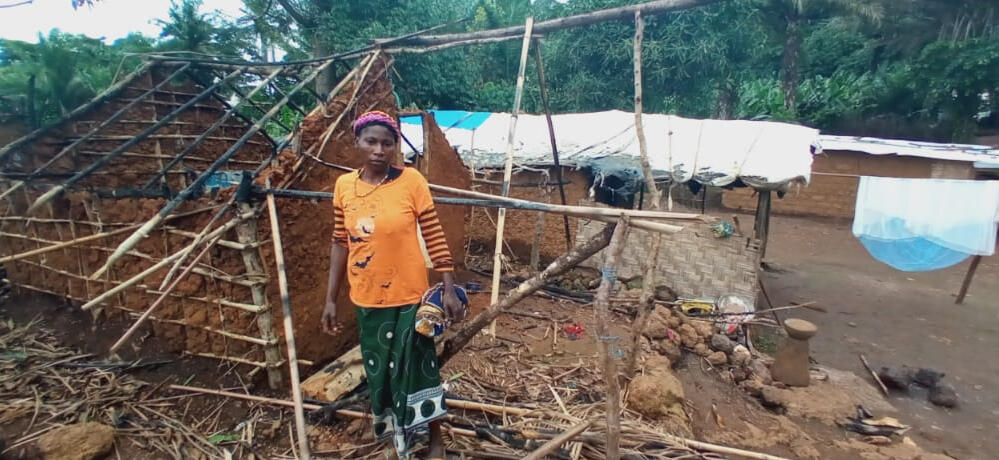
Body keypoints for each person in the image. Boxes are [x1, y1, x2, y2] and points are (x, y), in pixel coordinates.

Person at [322, 110, 465, 460]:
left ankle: (435, 441)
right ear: (357, 143)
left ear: (395, 146)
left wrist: (447, 286)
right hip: (367, 296)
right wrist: (330, 299)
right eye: (371, 141)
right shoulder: (344, 187)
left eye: (387, 143)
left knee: (420, 368)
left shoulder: (411, 181)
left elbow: (433, 233)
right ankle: (398, 439)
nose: (379, 150)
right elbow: (341, 241)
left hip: (410, 295)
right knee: (380, 373)